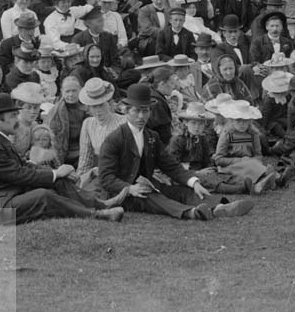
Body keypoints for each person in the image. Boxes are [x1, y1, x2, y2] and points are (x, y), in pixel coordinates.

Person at [98, 82, 253, 219]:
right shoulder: (114, 139)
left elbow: (170, 166)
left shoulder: (151, 136)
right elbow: (105, 178)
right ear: (126, 111)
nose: (141, 116)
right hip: (124, 194)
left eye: (145, 111)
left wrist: (194, 182)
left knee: (182, 191)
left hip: (148, 184)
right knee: (154, 197)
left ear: (150, 112)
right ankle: (190, 212)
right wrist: (130, 188)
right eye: (136, 111)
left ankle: (219, 207)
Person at [0, 93, 124, 224]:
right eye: (13, 116)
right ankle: (96, 215)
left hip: (5, 197)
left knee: (58, 180)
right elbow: (20, 175)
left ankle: (102, 204)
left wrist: (56, 173)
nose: (18, 119)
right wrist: (55, 173)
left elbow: (25, 166)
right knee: (43, 195)